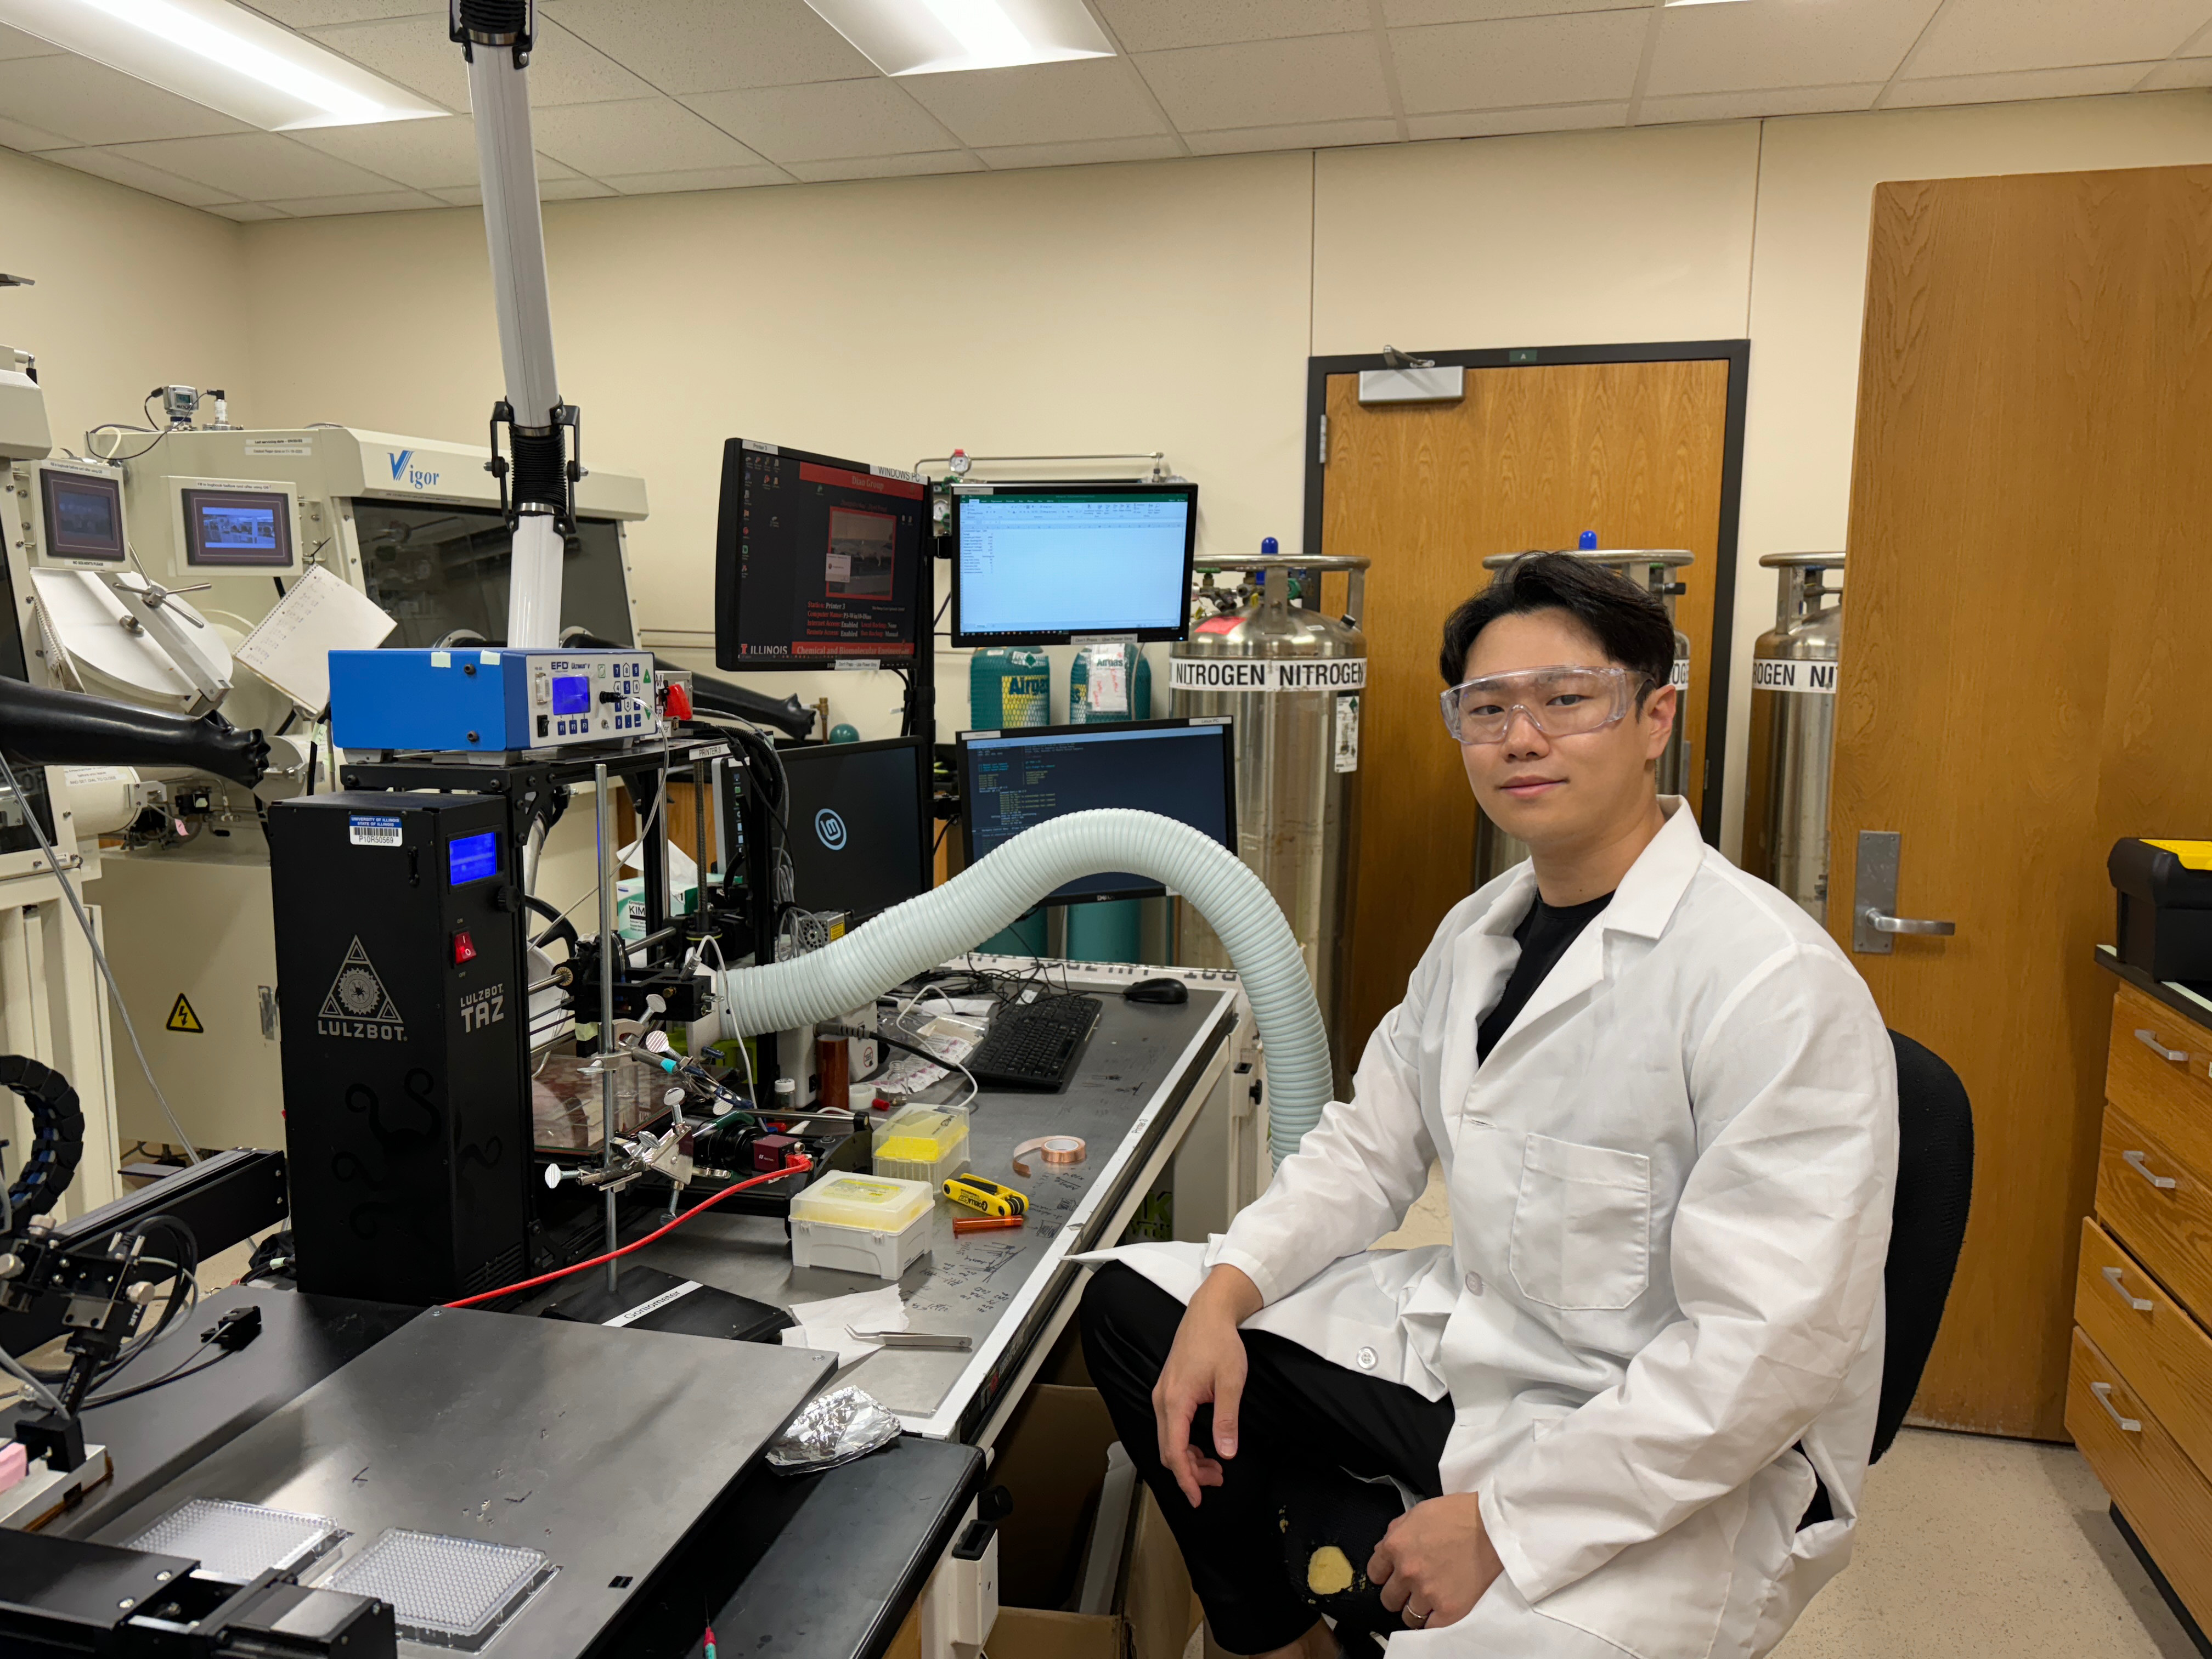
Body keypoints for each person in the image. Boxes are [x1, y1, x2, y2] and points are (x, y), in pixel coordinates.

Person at [1077, 553, 1897, 1658]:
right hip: (1482, 1353)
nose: (1522, 738)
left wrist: (1504, 1527)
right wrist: (1224, 1296)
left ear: (1655, 718)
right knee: (1143, 1313)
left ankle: (1408, 1547)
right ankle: (1276, 1639)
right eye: (1489, 708)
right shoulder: (1480, 934)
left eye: (1568, 701)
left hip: (1667, 1447)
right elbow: (1366, 1150)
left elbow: (1766, 1358)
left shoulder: (1770, 983)